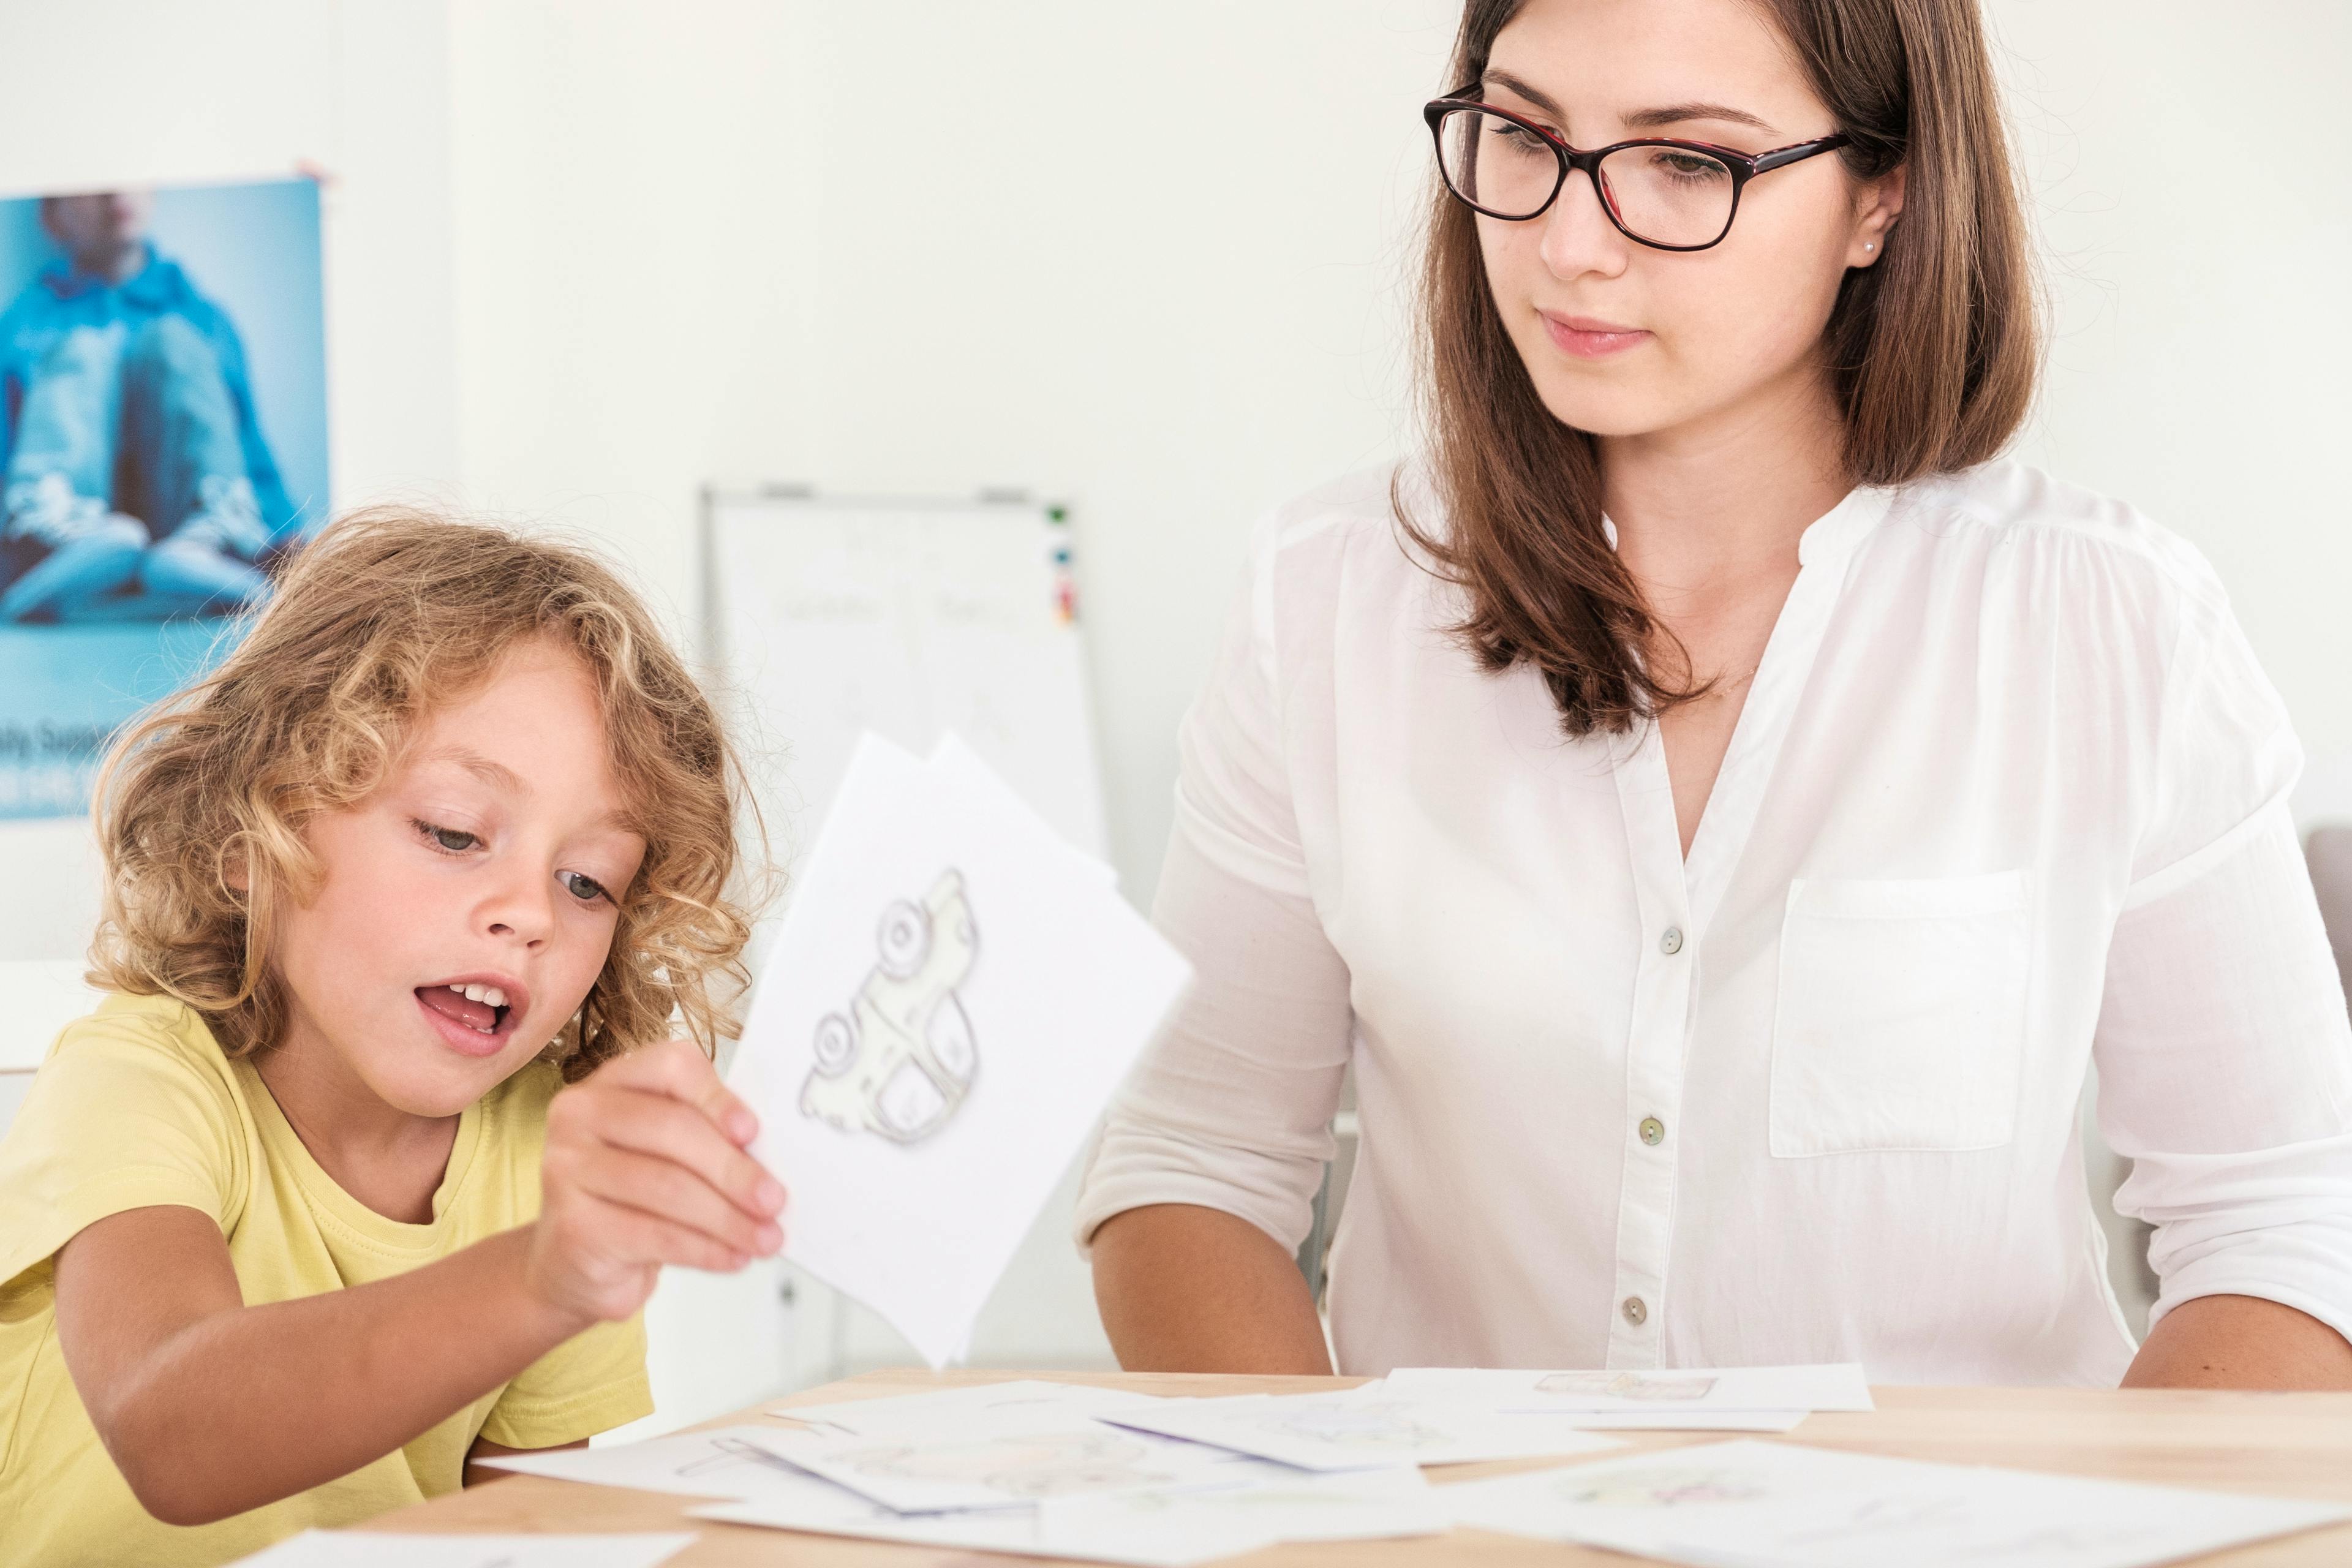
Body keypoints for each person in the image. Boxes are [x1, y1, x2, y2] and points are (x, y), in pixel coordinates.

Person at [1079, 0, 2352, 1390]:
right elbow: (1190, 1168)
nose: (1567, 240)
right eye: (1520, 134)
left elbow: (2284, 1228)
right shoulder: (1329, 602)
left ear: (1883, 193)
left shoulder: (2108, 624)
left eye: (1685, 162)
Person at [0, 511, 785, 1566]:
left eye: (588, 879)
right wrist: (542, 1278)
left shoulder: (544, 1152)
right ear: (253, 842)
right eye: (455, 833)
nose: (531, 913)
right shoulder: (140, 1077)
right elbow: (167, 1429)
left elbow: (524, 1540)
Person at [0, 189, 301, 623]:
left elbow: (246, 442)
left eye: (130, 178)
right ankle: (53, 553)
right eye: (90, 182)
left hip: (179, 525)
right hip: (70, 538)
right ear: (52, 216)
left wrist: (286, 532)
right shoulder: (25, 323)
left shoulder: (202, 317)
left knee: (174, 342)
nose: (114, 192)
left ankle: (210, 539)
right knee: (79, 349)